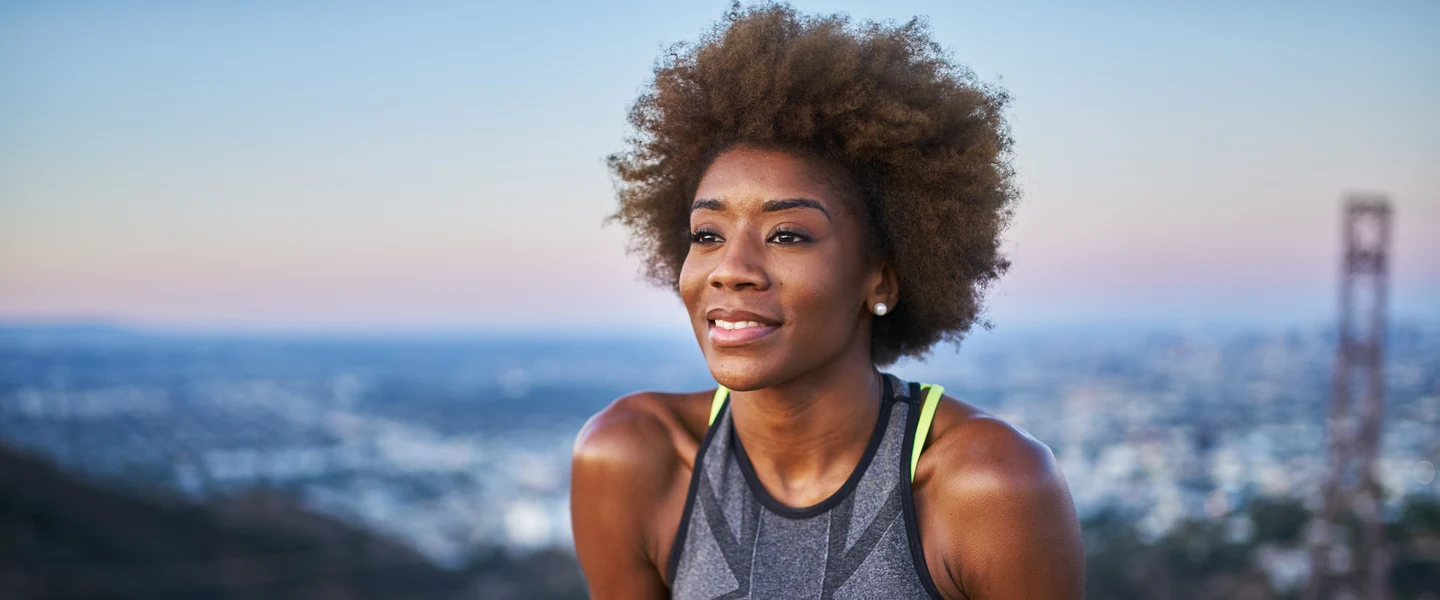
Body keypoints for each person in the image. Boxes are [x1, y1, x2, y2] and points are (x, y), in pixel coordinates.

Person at [571, 3, 1084, 598]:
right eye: (707, 235)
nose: (730, 270)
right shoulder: (632, 459)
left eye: (787, 235)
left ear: (883, 280)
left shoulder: (993, 485)